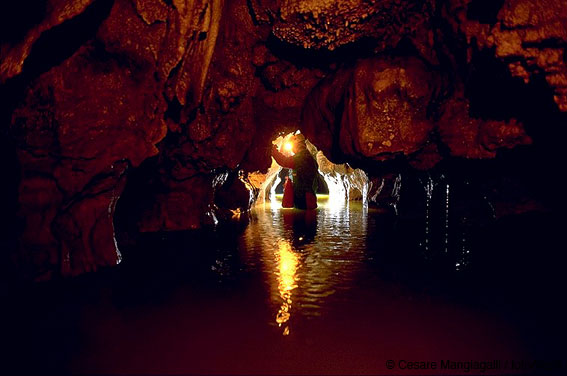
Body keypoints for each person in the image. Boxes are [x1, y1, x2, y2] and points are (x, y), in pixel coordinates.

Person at [272, 134, 318, 210]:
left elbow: (284, 161)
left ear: (297, 145)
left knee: (301, 220)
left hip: (304, 199)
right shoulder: (310, 158)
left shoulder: (301, 157)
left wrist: (273, 151)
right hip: (310, 198)